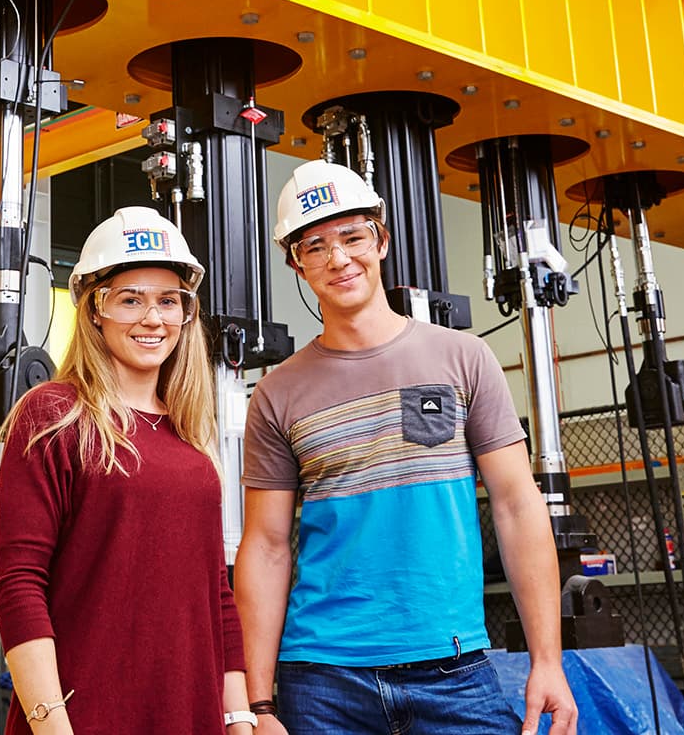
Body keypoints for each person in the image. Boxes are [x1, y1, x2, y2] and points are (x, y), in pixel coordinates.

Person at [234, 161, 580, 735]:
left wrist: (548, 661)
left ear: (382, 239)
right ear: (296, 262)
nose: (339, 259)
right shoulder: (277, 392)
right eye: (315, 246)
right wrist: (260, 703)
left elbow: (519, 507)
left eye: (352, 237)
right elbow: (267, 546)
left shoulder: (463, 359)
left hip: (454, 670)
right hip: (321, 680)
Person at [0, 206, 258, 735]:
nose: (153, 318)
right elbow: (20, 585)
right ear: (94, 310)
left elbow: (215, 596)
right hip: (86, 719)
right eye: (130, 300)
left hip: (189, 717)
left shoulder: (189, 437)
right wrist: (50, 724)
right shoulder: (54, 415)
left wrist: (240, 718)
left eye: (169, 301)